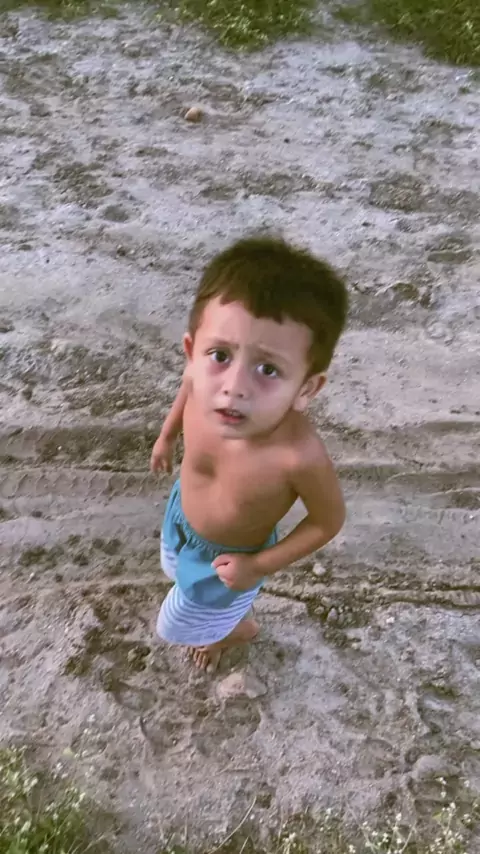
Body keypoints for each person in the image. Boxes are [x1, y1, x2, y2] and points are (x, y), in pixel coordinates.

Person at [150, 234, 348, 672]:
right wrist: (167, 436)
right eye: (220, 355)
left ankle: (236, 629)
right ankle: (217, 616)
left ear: (306, 388)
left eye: (268, 369)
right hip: (180, 516)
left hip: (229, 560)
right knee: (171, 568)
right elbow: (187, 387)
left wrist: (257, 566)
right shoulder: (203, 384)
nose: (234, 386)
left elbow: (328, 520)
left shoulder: (297, 456)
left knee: (174, 625)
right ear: (192, 353)